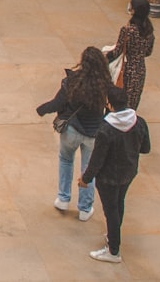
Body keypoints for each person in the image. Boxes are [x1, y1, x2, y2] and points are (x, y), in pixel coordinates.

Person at [36, 46, 113, 221]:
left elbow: (58, 102)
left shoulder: (72, 81)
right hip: (93, 135)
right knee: (88, 170)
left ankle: (63, 198)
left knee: (65, 160)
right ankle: (85, 209)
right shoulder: (105, 86)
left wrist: (43, 109)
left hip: (72, 131)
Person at [79, 85, 151, 264]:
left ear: (110, 105)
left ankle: (113, 250)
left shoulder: (105, 129)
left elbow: (97, 159)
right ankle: (114, 233)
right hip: (129, 172)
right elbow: (146, 148)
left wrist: (85, 178)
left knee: (110, 210)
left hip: (108, 178)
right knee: (119, 203)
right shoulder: (139, 122)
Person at [113, 0, 156, 110]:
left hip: (126, 70)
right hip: (140, 70)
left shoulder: (128, 30)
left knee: (120, 103)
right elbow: (148, 52)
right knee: (132, 104)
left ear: (134, 10)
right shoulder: (149, 31)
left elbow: (118, 51)